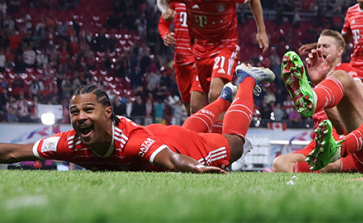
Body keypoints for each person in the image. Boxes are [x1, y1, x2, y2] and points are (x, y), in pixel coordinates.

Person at [0, 65, 275, 171]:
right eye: (74, 112)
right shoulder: (68, 143)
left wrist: (196, 168)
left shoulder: (130, 142)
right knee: (189, 130)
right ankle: (226, 97)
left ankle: (246, 79)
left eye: (88, 110)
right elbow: (14, 151)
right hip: (163, 134)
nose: (80, 118)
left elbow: (171, 159)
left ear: (108, 112)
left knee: (235, 146)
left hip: (174, 145)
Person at [157, 0, 269, 104]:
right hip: (199, 49)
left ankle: (240, 98)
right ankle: (231, 103)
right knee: (196, 105)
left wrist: (261, 30)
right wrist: (166, 10)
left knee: (215, 94)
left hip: (225, 46)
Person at [271, 29, 363, 173]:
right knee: (279, 163)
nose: (320, 49)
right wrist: (318, 81)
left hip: (342, 146)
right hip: (318, 144)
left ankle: (322, 167)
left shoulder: (345, 73)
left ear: (340, 51)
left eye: (326, 46)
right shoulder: (319, 75)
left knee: (328, 165)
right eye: (318, 46)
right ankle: (315, 169)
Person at [157, 0, 205, 115]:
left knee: (196, 106)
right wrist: (166, 35)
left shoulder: (206, 0)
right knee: (189, 110)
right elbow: (163, 23)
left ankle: (215, 130)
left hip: (198, 62)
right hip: (180, 63)